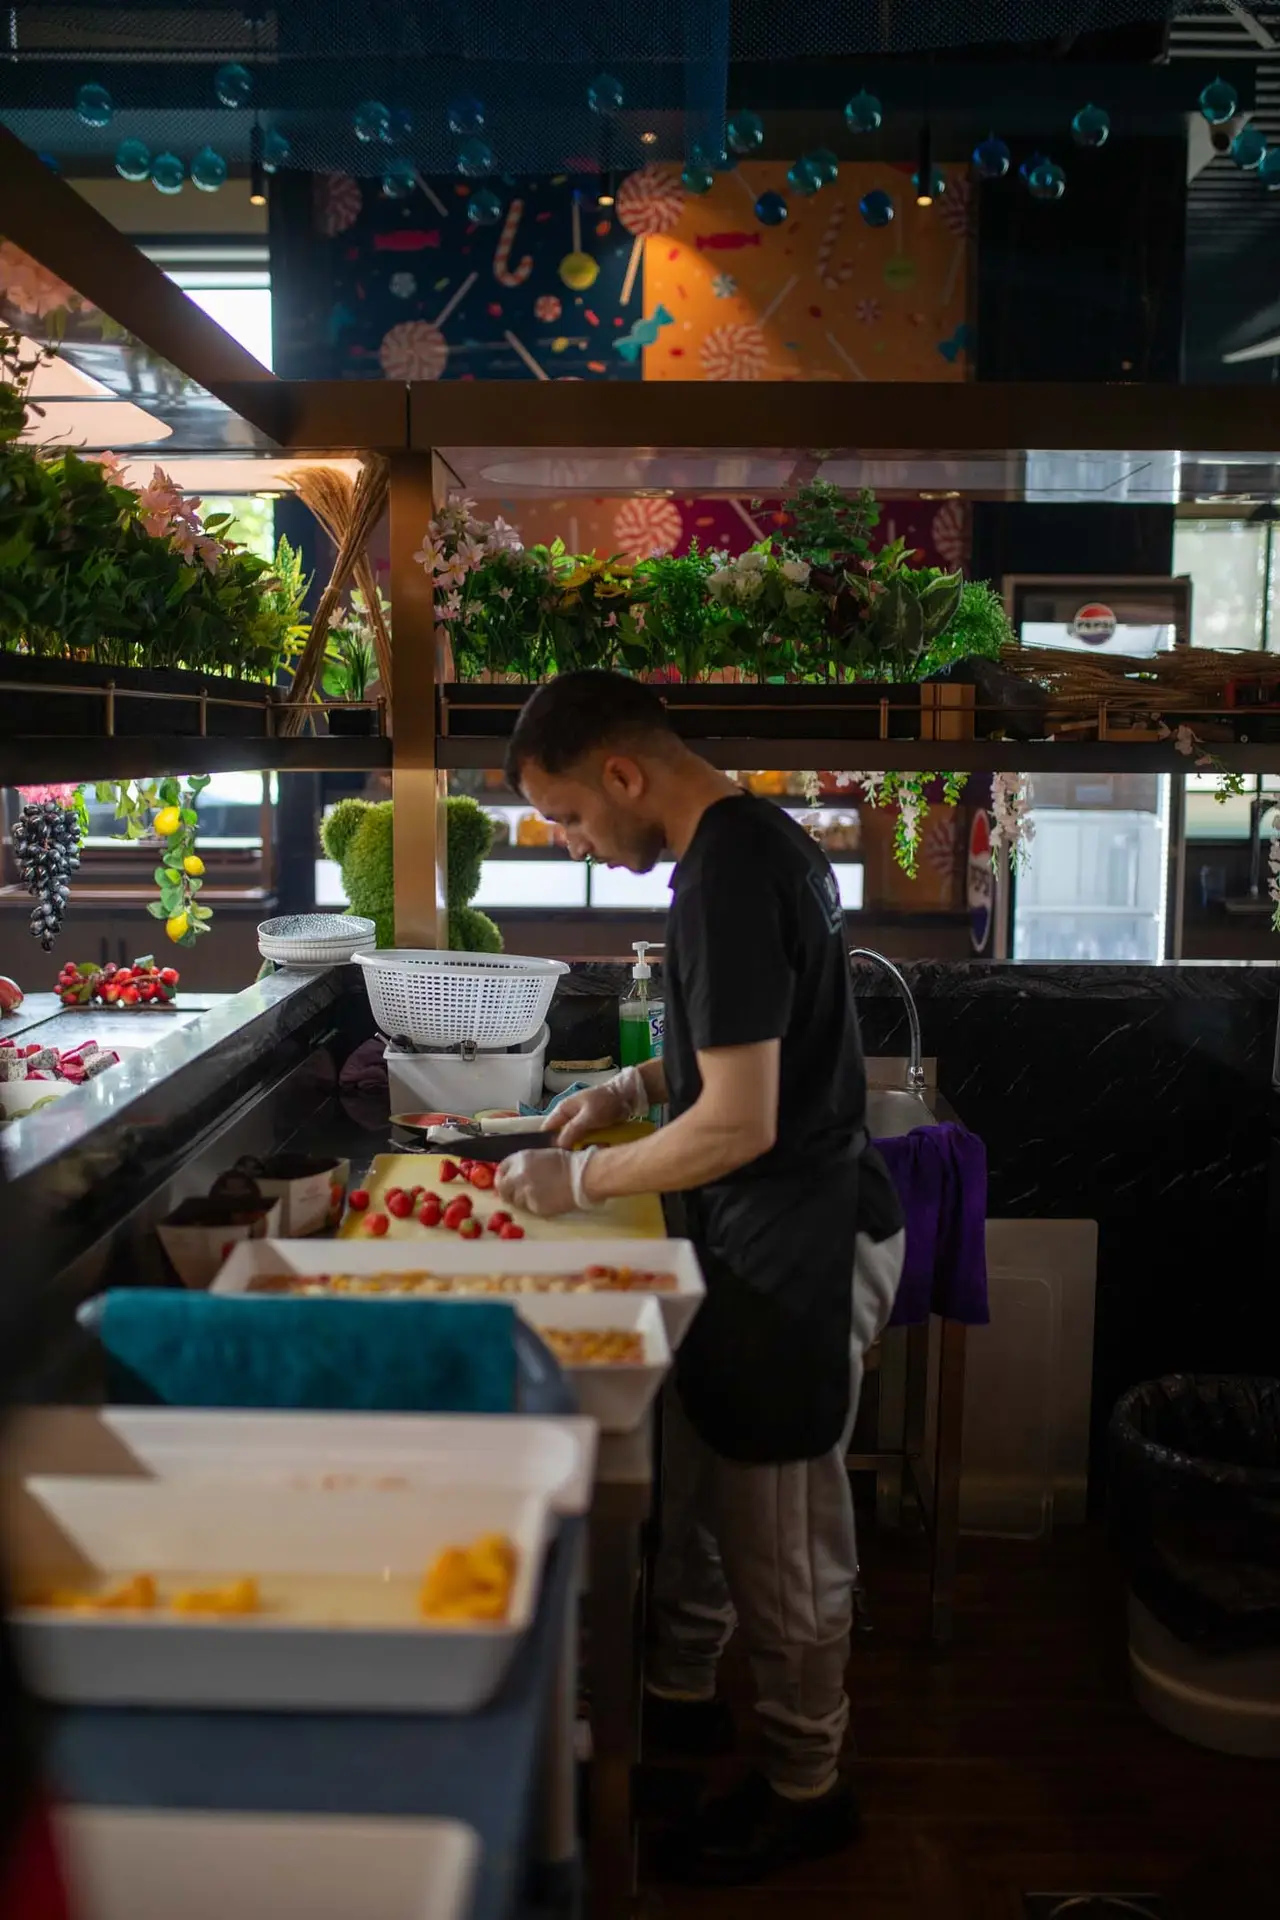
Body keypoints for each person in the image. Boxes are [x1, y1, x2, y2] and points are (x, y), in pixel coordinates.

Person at [496, 671, 905, 1885]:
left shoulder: (727, 870)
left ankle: (804, 1786)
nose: (569, 841)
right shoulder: (744, 840)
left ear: (621, 774)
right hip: (765, 1230)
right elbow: (733, 1042)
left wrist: (572, 1187)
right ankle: (685, 1703)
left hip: (800, 1244)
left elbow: (738, 1121)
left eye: (566, 816)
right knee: (719, 1497)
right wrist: (623, 1093)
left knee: (782, 1543)